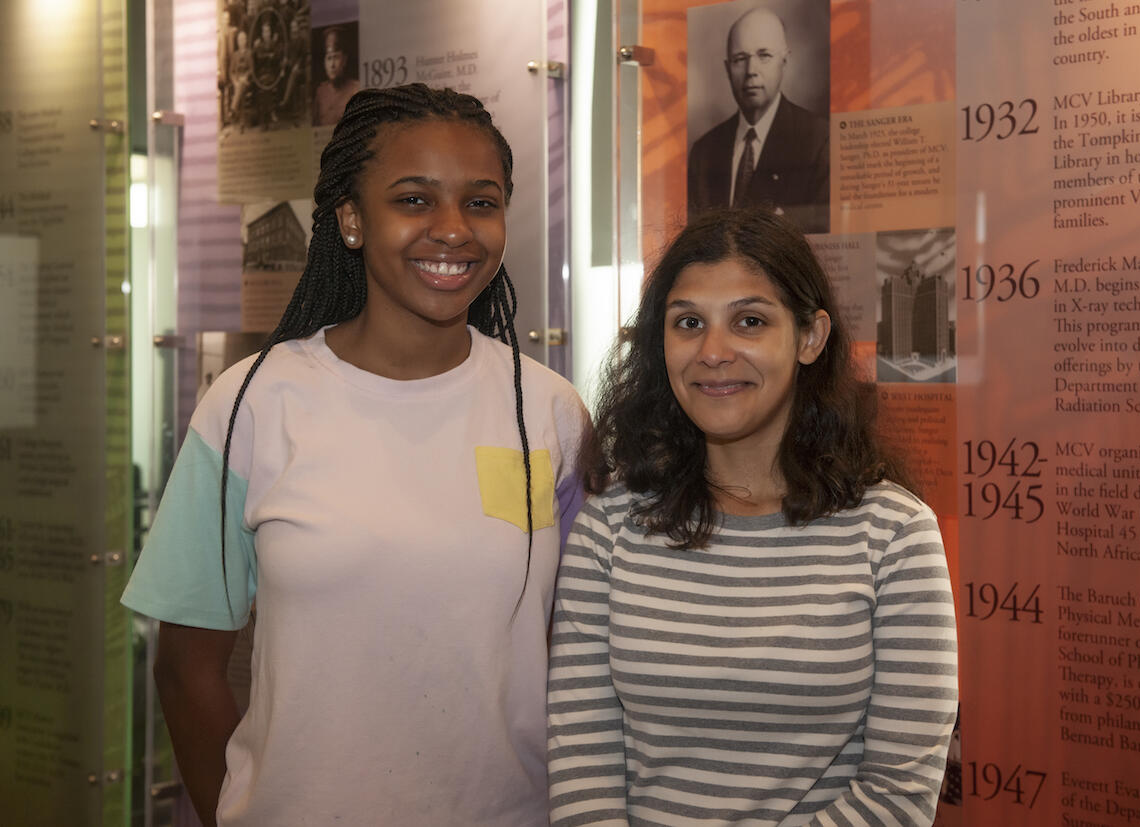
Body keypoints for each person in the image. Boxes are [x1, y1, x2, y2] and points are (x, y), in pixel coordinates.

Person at [122, 83, 587, 826]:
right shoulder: (251, 405)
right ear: (351, 219)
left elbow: (580, 660)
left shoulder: (550, 412)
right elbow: (185, 669)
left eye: (481, 202)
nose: (453, 229)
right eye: (414, 200)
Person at [547, 208, 957, 825]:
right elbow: (583, 764)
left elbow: (898, 793)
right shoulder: (610, 529)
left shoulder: (895, 534)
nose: (713, 352)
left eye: (750, 321)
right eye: (689, 323)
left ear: (810, 337)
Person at [687, 7, 829, 234]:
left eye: (764, 56)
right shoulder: (703, 154)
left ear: (784, 61)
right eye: (740, 59)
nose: (751, 71)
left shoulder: (819, 141)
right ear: (727, 69)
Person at [313, 25, 361, 127]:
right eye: (329, 58)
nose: (332, 65)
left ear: (344, 60)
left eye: (336, 57)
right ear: (324, 62)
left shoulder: (355, 90)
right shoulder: (321, 92)